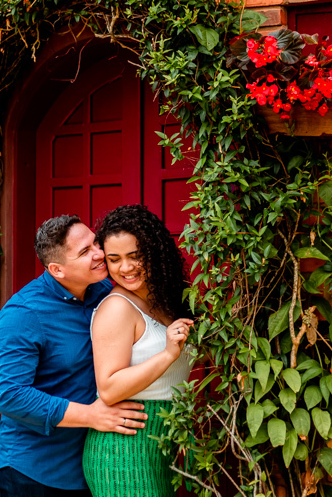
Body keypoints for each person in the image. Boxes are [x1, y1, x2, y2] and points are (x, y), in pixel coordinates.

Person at [0, 214, 150, 497]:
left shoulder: (107, 292)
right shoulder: (23, 314)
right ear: (57, 269)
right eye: (85, 252)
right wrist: (90, 415)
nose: (100, 254)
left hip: (93, 464)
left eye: (95, 243)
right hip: (35, 473)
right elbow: (10, 394)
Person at [83, 204, 194, 497]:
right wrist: (168, 353)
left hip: (165, 437)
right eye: (114, 259)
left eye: (135, 256)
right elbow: (108, 388)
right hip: (126, 446)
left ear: (155, 252)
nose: (126, 268)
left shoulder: (170, 298)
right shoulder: (116, 309)